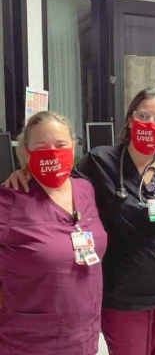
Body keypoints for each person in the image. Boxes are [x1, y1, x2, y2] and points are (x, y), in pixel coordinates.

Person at [7, 88, 155, 355]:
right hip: (123, 294)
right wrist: (28, 167)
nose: (150, 124)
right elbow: (60, 183)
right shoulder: (100, 162)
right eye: (143, 115)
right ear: (130, 119)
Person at [0, 111, 107, 355]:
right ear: (26, 152)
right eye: (41, 146)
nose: (52, 152)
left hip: (84, 335)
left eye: (60, 145)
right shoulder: (9, 199)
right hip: (30, 342)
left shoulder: (85, 189)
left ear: (73, 146)